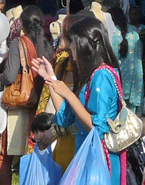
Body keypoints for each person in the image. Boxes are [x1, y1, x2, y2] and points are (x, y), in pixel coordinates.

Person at [32, 17, 125, 185]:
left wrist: (69, 95)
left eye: (72, 41)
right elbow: (64, 118)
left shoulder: (102, 75)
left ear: (83, 45)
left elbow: (97, 128)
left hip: (100, 162)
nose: (69, 46)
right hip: (85, 157)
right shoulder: (89, 77)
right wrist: (50, 78)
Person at [0, 5, 54, 185]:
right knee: (34, 153)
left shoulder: (19, 42)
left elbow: (9, 76)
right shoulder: (45, 44)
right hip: (38, 105)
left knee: (3, 156)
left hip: (17, 105)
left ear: (21, 24)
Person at [109, 7, 144, 114]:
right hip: (133, 81)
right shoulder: (133, 31)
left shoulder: (111, 32)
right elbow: (139, 54)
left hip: (116, 80)